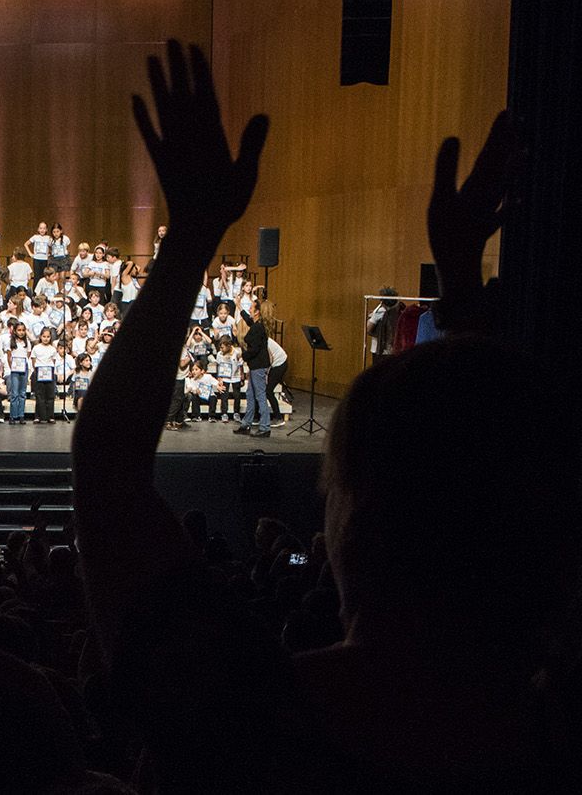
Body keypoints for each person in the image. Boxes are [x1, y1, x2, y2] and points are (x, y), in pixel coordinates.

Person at [75, 45, 582, 787]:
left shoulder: (253, 724)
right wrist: (468, 302)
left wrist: (192, 233)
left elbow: (107, 468)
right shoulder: (554, 735)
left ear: (355, 520)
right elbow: (497, 454)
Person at [234, 299, 272, 438]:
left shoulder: (258, 328)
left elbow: (255, 349)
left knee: (260, 396)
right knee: (250, 394)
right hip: (254, 365)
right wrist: (239, 308)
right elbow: (249, 321)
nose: (249, 309)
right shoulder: (256, 325)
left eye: (251, 308)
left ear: (257, 312)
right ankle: (246, 424)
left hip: (258, 365)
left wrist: (242, 355)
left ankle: (265, 427)